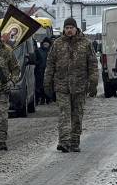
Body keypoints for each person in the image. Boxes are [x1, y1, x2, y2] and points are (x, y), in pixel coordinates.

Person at [44, 18, 99, 153]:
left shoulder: (85, 43)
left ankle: (74, 141)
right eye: (67, 28)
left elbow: (92, 65)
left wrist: (93, 84)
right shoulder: (57, 44)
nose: (69, 30)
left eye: (71, 28)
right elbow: (50, 64)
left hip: (79, 86)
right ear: (64, 29)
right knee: (64, 113)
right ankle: (64, 141)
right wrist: (47, 83)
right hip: (62, 86)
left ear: (76, 29)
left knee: (77, 115)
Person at [35, 38, 52, 104]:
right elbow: (35, 59)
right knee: (40, 86)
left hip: (49, 71)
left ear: (49, 44)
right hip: (39, 71)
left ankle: (48, 98)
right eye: (44, 42)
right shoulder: (38, 50)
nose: (45, 44)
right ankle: (41, 99)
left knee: (48, 85)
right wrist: (38, 63)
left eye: (47, 43)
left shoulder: (52, 51)